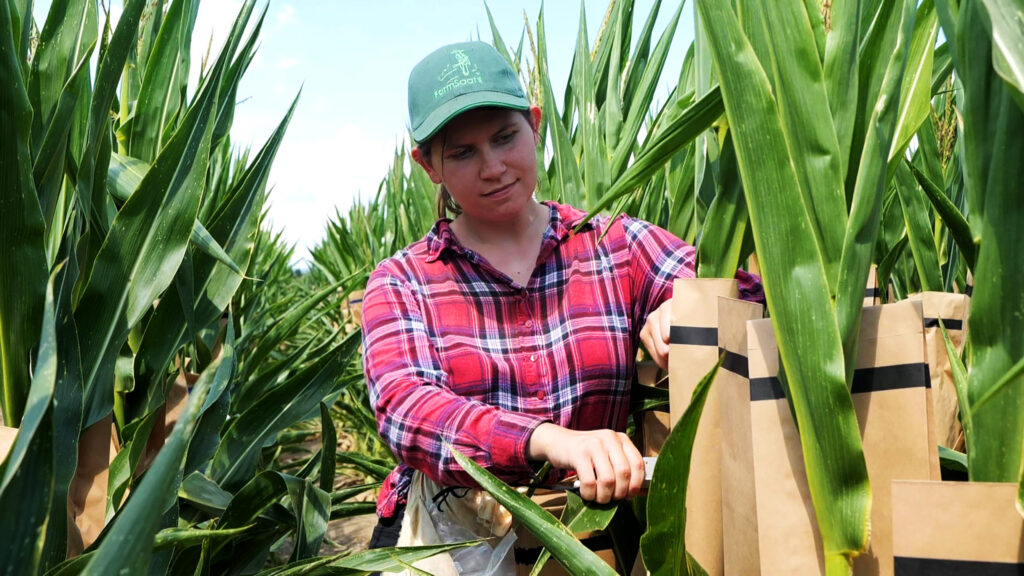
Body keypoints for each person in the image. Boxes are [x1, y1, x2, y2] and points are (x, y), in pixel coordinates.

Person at [361, 41, 762, 573]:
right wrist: (548, 441)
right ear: (428, 165)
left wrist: (688, 307)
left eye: (506, 137)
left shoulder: (611, 246)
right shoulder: (404, 281)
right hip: (457, 542)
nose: (493, 167)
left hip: (593, 539)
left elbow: (752, 291)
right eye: (463, 152)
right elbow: (406, 409)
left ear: (535, 125)